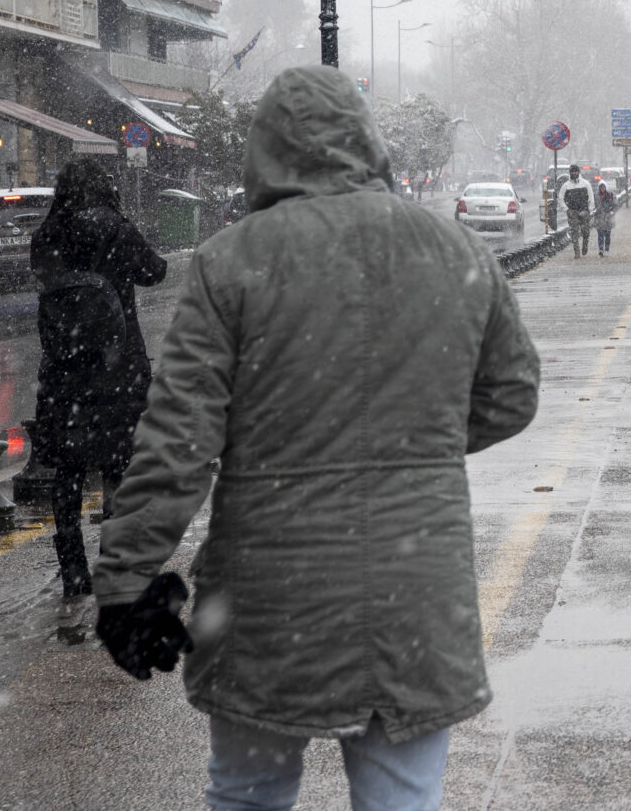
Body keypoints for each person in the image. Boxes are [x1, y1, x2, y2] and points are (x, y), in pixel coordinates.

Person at [92, 66, 540, 811]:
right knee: (403, 798)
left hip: (270, 591)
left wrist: (125, 579)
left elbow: (178, 439)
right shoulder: (456, 251)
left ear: (264, 152)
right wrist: (410, 442)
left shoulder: (232, 261)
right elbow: (513, 395)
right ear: (366, 143)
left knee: (248, 791)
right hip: (417, 587)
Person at [29, 157, 167, 608]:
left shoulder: (47, 233)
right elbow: (154, 272)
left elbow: (43, 281)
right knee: (118, 466)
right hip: (117, 366)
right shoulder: (114, 228)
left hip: (64, 369)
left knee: (67, 470)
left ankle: (72, 568)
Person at [557, 163, 595, 257]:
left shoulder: (586, 184)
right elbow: (560, 198)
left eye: (576, 171)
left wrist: (590, 209)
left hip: (584, 211)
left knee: (585, 231)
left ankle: (585, 245)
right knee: (574, 232)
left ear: (578, 172)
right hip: (572, 211)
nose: (574, 173)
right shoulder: (566, 186)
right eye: (572, 171)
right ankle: (576, 251)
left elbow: (591, 197)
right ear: (570, 173)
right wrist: (566, 210)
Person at [593, 180, 618, 256]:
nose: (602, 188)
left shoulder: (610, 195)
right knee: (600, 234)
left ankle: (606, 249)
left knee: (607, 235)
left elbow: (616, 205)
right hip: (599, 218)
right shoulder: (596, 196)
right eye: (601, 187)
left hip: (608, 218)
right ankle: (601, 249)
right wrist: (595, 211)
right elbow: (593, 205)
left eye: (603, 187)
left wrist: (611, 212)